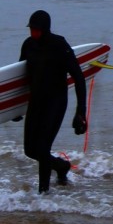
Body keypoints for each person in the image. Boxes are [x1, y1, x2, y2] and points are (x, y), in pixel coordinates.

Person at [20, 10, 88, 193]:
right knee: (30, 150)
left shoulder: (59, 45)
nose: (33, 33)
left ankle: (43, 193)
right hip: (36, 102)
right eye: (31, 29)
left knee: (42, 148)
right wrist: (17, 109)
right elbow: (22, 79)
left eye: (36, 29)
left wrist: (80, 112)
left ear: (45, 29)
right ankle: (60, 166)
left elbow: (78, 77)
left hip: (55, 102)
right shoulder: (28, 45)